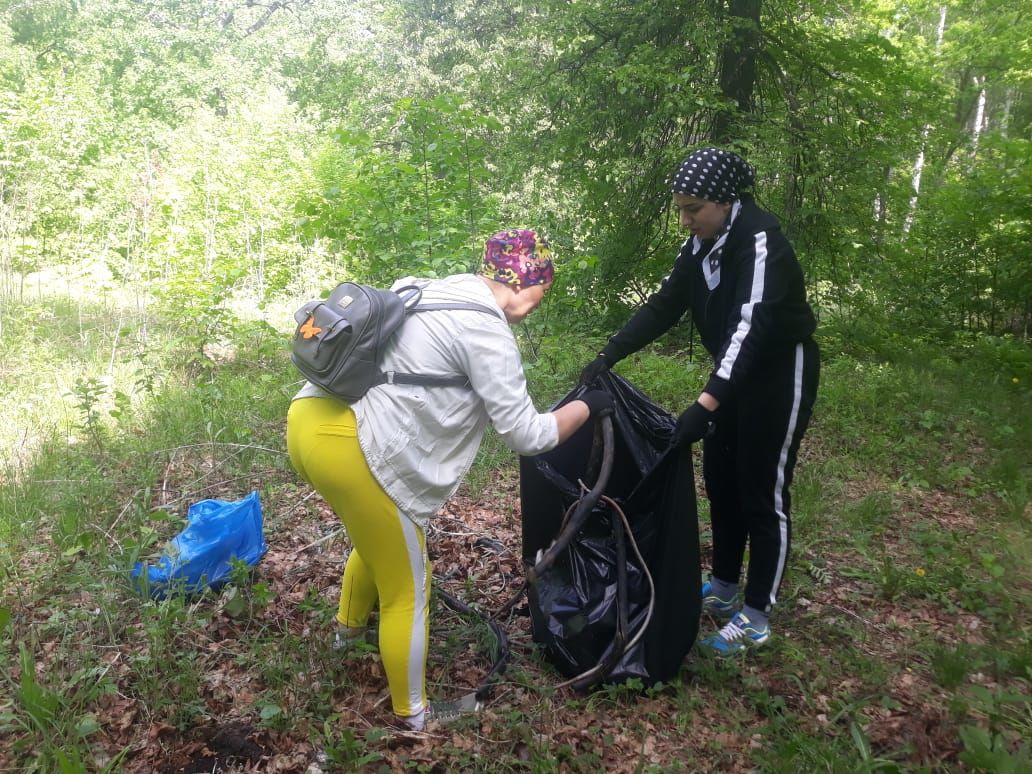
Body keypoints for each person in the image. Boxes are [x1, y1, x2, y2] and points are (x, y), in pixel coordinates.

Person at [287, 229, 613, 730]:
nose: (539, 302)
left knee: (376, 542)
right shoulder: (485, 328)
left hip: (309, 421)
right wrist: (587, 406)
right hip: (352, 445)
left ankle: (346, 639)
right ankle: (415, 716)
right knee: (409, 588)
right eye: (542, 289)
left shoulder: (429, 288)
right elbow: (528, 434)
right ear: (527, 280)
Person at [579, 147, 819, 656]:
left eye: (694, 209)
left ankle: (756, 613)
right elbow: (666, 302)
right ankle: (727, 587)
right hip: (733, 377)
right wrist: (610, 354)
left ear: (725, 201)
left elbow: (748, 333)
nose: (686, 220)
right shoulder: (702, 244)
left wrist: (705, 404)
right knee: (721, 481)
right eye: (681, 210)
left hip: (778, 374)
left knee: (762, 490)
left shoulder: (760, 244)